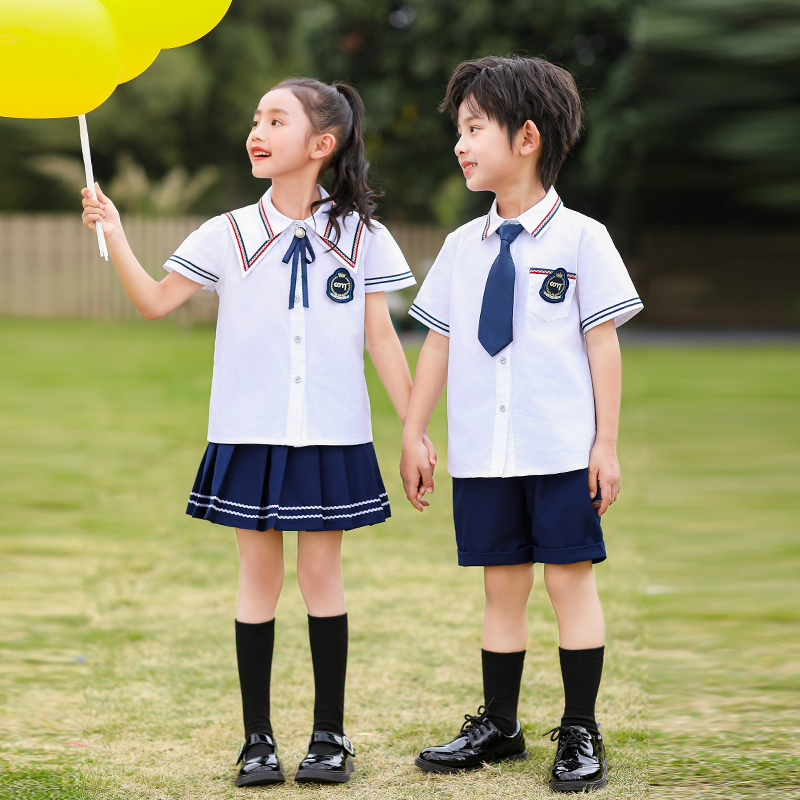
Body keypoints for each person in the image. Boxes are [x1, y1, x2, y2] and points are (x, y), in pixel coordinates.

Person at [82, 78, 433, 787]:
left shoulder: (361, 235)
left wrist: (414, 430)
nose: (257, 129)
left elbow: (383, 340)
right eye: (256, 118)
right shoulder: (226, 232)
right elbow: (154, 302)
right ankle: (257, 742)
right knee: (257, 580)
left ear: (321, 144)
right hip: (249, 433)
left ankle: (330, 738)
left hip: (333, 434)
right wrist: (114, 232)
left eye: (277, 119)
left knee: (321, 577)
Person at [400, 55, 643, 793]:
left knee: (570, 582)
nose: (460, 144)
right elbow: (437, 343)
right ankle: (501, 726)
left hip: (560, 449)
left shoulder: (583, 241)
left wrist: (604, 444)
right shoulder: (458, 249)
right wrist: (413, 430)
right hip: (483, 453)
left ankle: (580, 730)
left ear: (528, 136)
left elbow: (603, 344)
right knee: (500, 587)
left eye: (475, 128)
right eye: (460, 130)